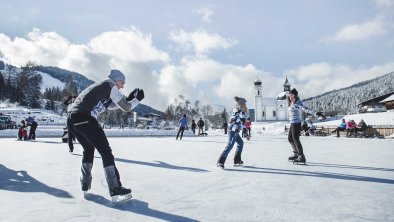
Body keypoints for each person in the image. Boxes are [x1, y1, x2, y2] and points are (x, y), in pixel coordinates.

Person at [67, 69, 144, 202]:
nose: (123, 86)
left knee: (88, 149)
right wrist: (137, 100)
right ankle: (115, 188)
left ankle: (85, 182)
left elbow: (112, 105)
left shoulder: (104, 88)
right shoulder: (110, 86)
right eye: (122, 82)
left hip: (72, 120)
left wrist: (128, 98)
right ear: (116, 79)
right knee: (106, 152)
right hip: (85, 118)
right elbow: (126, 107)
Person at [287, 88, 324, 164]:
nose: (290, 96)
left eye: (292, 95)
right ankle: (296, 153)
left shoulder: (298, 102)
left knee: (295, 139)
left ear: (295, 95)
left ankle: (301, 156)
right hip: (292, 123)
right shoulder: (291, 103)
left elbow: (305, 109)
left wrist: (315, 113)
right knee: (290, 138)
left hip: (296, 123)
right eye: (290, 95)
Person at [217, 96, 249, 169]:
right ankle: (220, 162)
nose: (245, 106)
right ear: (241, 104)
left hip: (234, 130)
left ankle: (237, 160)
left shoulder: (236, 109)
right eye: (244, 104)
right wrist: (246, 134)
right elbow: (243, 124)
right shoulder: (241, 111)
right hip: (233, 130)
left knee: (240, 143)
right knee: (230, 145)